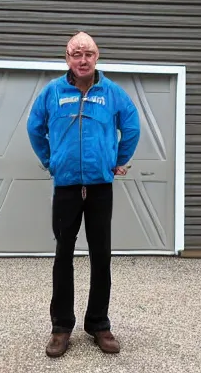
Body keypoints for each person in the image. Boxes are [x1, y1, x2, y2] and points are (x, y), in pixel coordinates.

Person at [26, 31, 141, 357]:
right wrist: (52, 160)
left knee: (101, 255)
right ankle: (61, 327)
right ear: (67, 59)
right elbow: (35, 127)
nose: (82, 59)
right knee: (63, 256)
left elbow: (131, 126)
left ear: (97, 56)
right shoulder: (52, 92)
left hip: (101, 187)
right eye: (76, 54)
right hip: (66, 188)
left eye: (88, 53)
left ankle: (98, 324)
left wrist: (117, 161)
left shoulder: (112, 93)